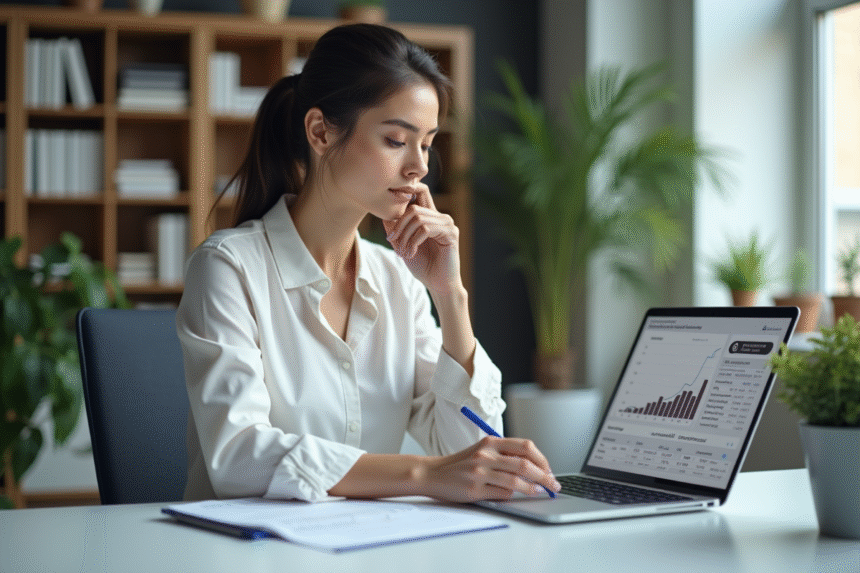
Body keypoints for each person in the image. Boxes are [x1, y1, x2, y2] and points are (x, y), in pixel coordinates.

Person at [176, 23, 561, 503]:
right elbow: (239, 456)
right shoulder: (227, 268)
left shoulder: (398, 278)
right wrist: (422, 475)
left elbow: (467, 447)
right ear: (320, 132)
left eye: (427, 143)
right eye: (397, 140)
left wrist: (450, 295)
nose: (420, 166)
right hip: (245, 540)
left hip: (365, 538)